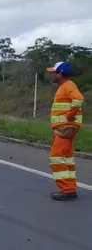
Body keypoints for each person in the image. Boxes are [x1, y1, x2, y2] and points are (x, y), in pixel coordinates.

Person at [46, 61, 84, 201]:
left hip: (66, 128)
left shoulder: (68, 85)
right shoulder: (65, 86)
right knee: (66, 158)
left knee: (56, 157)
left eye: (53, 72)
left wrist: (69, 116)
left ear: (60, 73)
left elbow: (79, 99)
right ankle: (70, 188)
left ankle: (67, 190)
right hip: (63, 129)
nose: (51, 75)